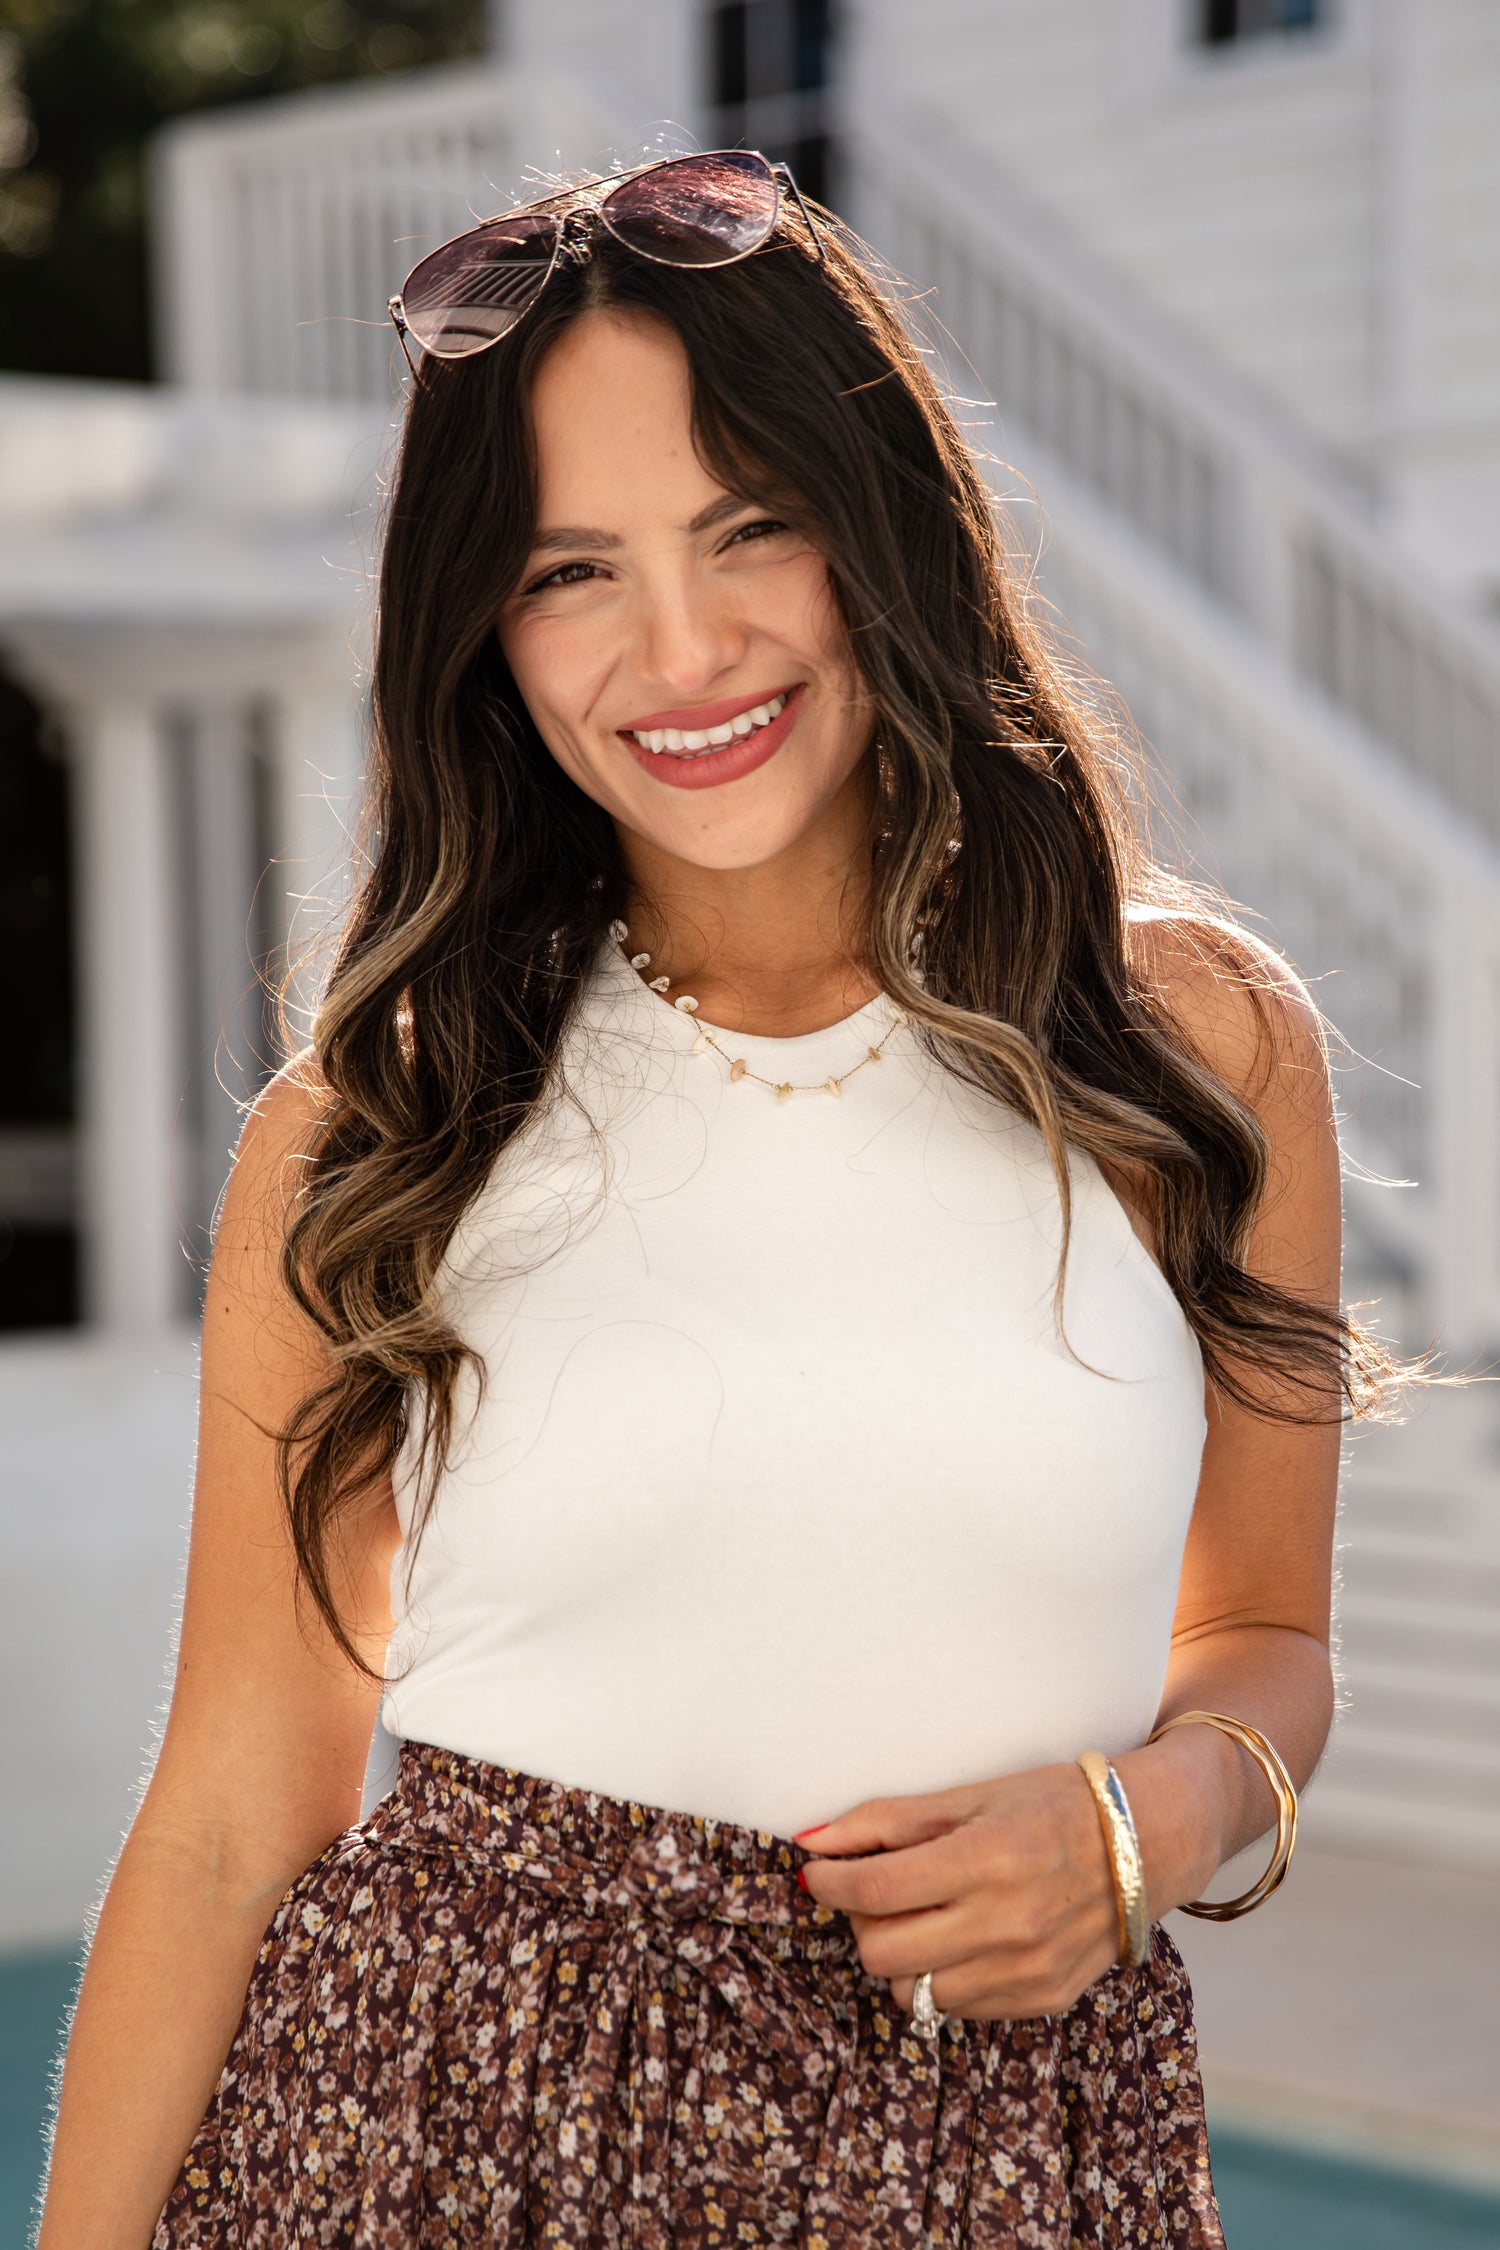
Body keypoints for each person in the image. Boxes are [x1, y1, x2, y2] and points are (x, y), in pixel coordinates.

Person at [37, 152, 1398, 2248]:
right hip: (432, 2144)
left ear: (886, 533)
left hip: (1016, 2152)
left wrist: (1149, 1824)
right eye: (572, 570)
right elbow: (237, 1809)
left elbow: (1265, 1639)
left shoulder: (1196, 1052)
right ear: (483, 627)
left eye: (750, 524)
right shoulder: (374, 1131)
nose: (680, 650)